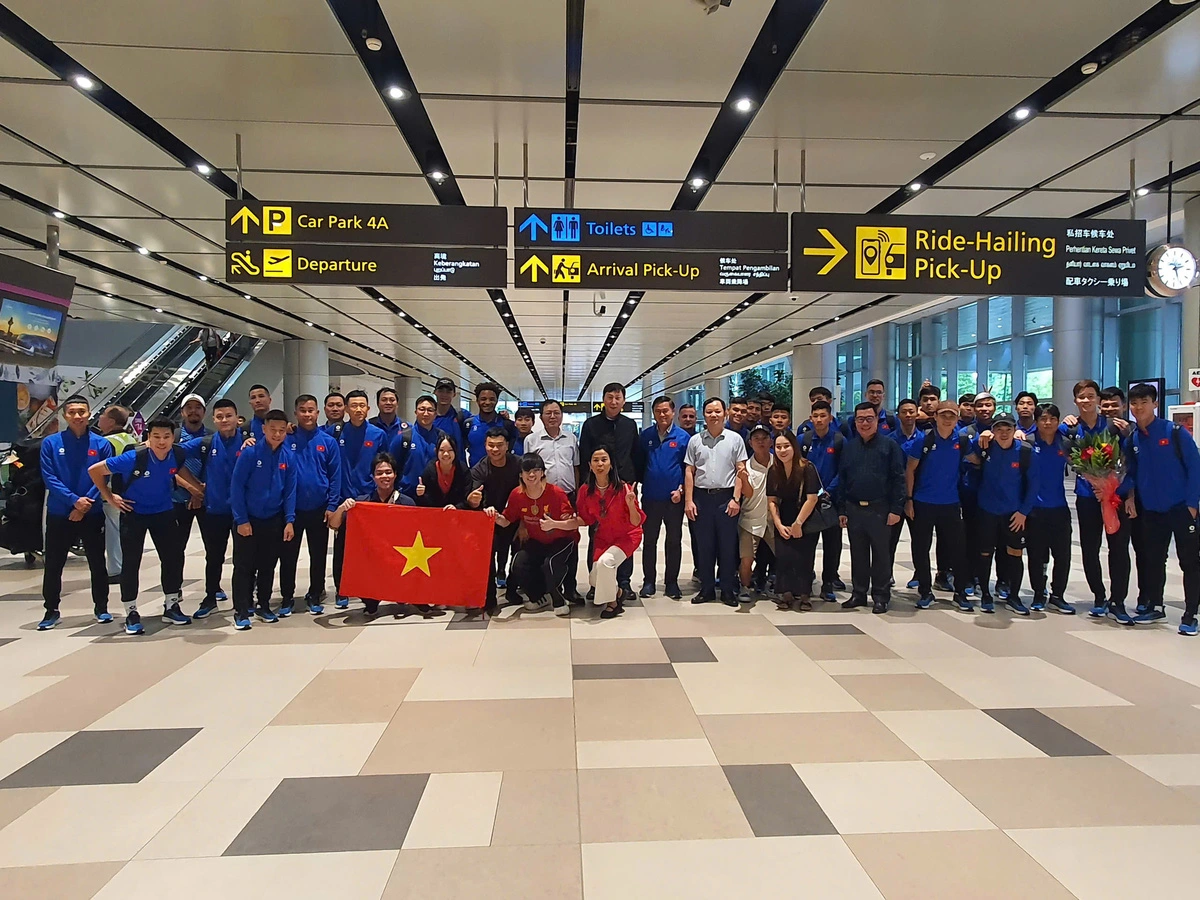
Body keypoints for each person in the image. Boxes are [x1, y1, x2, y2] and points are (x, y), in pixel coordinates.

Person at [89, 417, 204, 634]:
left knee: (173, 557)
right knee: (131, 562)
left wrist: (195, 488)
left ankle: (172, 605)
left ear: (173, 438)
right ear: (148, 438)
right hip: (134, 513)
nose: (162, 442)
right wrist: (110, 496)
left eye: (167, 437)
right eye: (156, 437)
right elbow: (95, 470)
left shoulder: (177, 454)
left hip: (163, 512)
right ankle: (131, 611)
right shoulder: (133, 457)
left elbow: (203, 443)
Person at [1121, 382, 1200, 633]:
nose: (1139, 407)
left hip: (1180, 508)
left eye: (1144, 402)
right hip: (1152, 511)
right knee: (1154, 560)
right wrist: (1129, 495)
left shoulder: (1175, 432)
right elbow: (1131, 473)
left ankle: (1190, 614)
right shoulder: (1133, 439)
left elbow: (1195, 468)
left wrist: (1191, 504)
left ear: (1155, 403)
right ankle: (1156, 605)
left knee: (1189, 561)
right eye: (1134, 403)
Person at [37, 395, 112, 630]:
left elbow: (105, 476)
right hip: (61, 512)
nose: (78, 416)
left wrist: (85, 503)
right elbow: (49, 478)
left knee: (97, 561)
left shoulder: (102, 444)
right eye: (72, 412)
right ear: (65, 415)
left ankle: (101, 607)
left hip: (92, 512)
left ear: (89, 413)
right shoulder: (50, 443)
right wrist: (73, 502)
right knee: (54, 563)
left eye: (82, 411)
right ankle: (51, 610)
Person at [1060, 379, 1131, 619]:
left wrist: (1113, 487)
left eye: (1091, 396)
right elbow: (1072, 459)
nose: (1086, 401)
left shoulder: (1114, 427)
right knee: (1090, 549)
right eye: (1082, 397)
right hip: (1087, 497)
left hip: (1114, 498)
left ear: (1098, 400)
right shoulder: (1069, 429)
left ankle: (1118, 600)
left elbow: (1128, 461)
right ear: (1075, 401)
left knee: (1118, 548)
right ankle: (1099, 596)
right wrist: (1095, 483)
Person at [965, 413, 1038, 615]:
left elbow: (1034, 485)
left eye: (1008, 429)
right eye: (999, 429)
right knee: (985, 553)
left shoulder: (1025, 451)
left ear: (1015, 431)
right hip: (987, 510)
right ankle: (986, 596)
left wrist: (1023, 512)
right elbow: (965, 451)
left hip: (1013, 514)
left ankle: (1013, 595)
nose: (1003, 433)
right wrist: (983, 435)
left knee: (1015, 553)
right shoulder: (985, 447)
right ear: (993, 431)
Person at [229, 409, 296, 629]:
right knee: (244, 565)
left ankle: (263, 605)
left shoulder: (288, 455)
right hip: (248, 518)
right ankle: (241, 609)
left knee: (268, 565)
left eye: (281, 430)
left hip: (274, 519)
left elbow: (290, 490)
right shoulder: (250, 453)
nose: (277, 434)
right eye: (272, 430)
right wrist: (241, 520)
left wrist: (289, 520)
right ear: (264, 429)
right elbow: (237, 487)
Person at [837, 402, 905, 613]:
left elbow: (899, 479)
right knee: (858, 554)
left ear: (877, 420)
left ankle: (880, 596)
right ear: (854, 421)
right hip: (854, 508)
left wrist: (896, 509)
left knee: (881, 555)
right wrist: (841, 510)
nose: (864, 423)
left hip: (880, 509)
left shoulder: (889, 446)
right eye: (860, 419)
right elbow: (843, 479)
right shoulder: (849, 447)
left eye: (869, 419)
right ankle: (858, 593)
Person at [904, 401, 972, 612]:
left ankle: (960, 592)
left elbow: (976, 459)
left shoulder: (962, 441)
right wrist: (908, 499)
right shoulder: (923, 440)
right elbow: (910, 470)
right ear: (936, 417)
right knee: (920, 548)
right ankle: (925, 590)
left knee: (958, 549)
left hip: (950, 503)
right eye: (944, 415)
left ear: (957, 418)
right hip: (924, 502)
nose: (947, 419)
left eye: (952, 415)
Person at [278, 394, 341, 617]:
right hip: (290, 511)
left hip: (319, 508)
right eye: (302, 410)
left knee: (318, 554)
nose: (307, 414)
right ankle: (287, 597)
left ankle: (315, 594)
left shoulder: (328, 442)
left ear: (318, 413)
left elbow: (335, 477)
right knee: (288, 555)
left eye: (311, 410)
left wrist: (332, 505)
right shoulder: (285, 439)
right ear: (295, 413)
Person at [330, 453, 415, 617]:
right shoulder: (362, 504)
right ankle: (369, 598)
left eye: (388, 472)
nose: (384, 476)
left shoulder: (406, 503)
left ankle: (402, 593)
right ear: (373, 477)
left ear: (395, 474)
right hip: (373, 563)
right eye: (379, 473)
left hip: (398, 560)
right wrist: (342, 508)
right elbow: (334, 524)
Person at [493, 453, 579, 615]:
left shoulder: (557, 493)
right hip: (537, 541)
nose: (531, 475)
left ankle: (557, 598)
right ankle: (539, 596)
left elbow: (574, 523)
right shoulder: (517, 495)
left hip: (562, 540)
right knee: (518, 564)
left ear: (542, 473)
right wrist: (494, 517)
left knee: (550, 565)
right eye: (527, 471)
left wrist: (553, 524)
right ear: (521, 474)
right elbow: (506, 520)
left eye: (536, 470)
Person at [579, 382, 642, 598]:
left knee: (625, 534)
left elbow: (636, 453)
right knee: (597, 534)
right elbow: (584, 455)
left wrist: (635, 482)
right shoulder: (590, 425)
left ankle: (624, 583)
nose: (614, 402)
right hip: (598, 488)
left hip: (624, 489)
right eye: (609, 397)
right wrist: (587, 486)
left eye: (618, 398)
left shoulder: (629, 425)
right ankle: (596, 584)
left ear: (623, 401)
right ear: (603, 400)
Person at [685, 398, 748, 606]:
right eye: (709, 411)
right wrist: (689, 501)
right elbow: (689, 471)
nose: (714, 415)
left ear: (725, 413)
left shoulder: (735, 439)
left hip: (726, 499)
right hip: (702, 498)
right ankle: (707, 589)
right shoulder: (695, 440)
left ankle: (728, 590)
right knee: (704, 546)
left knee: (728, 546)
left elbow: (741, 470)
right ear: (704, 414)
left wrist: (736, 499)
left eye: (717, 411)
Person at [569, 445, 644, 619]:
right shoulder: (585, 491)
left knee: (606, 563)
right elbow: (585, 520)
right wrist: (557, 523)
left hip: (627, 535)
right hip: (604, 537)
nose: (600, 464)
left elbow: (636, 521)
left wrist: (631, 505)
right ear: (590, 465)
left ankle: (613, 604)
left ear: (611, 464)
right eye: (596, 460)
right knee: (594, 579)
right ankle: (618, 592)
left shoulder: (623, 488)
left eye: (604, 460)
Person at [331, 389, 388, 609]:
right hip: (345, 499)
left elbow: (384, 466)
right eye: (353, 405)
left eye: (362, 405)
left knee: (371, 548)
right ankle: (341, 590)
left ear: (368, 408)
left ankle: (371, 589)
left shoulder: (377, 434)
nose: (358, 410)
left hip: (370, 501)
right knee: (342, 548)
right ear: (346, 409)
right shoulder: (336, 433)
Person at [191, 399, 244, 619]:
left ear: (237, 418)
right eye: (220, 417)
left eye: (228, 416)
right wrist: (195, 487)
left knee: (243, 559)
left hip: (242, 512)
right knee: (214, 557)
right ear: (213, 419)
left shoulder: (248, 441)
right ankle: (210, 596)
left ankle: (243, 601)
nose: (224, 420)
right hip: (214, 510)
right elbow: (175, 456)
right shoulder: (206, 442)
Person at [531, 399, 583, 602]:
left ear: (561, 416)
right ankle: (548, 587)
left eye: (556, 413)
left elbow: (576, 467)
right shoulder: (532, 441)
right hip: (542, 499)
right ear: (541, 416)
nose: (552, 416)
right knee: (545, 542)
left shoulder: (571, 439)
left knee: (571, 542)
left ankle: (571, 587)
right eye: (548, 413)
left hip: (568, 497)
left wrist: (577, 495)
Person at [1026, 403, 1075, 615]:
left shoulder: (1064, 443)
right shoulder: (1027, 443)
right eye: (1043, 419)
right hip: (1034, 509)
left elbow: (1081, 465)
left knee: (1063, 555)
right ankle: (1038, 593)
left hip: (1059, 508)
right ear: (1036, 421)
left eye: (1052, 419)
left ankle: (1058, 595)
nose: (1048, 423)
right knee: (1037, 555)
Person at [466, 427, 522, 612]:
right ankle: (489, 597)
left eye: (499, 445)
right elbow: (474, 498)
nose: (495, 450)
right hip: (489, 520)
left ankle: (512, 590)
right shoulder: (479, 469)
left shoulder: (518, 465)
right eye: (491, 445)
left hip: (515, 518)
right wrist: (474, 501)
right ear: (485, 446)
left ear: (507, 446)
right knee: (487, 558)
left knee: (519, 554)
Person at [639, 396, 689, 600]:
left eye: (665, 411)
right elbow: (639, 463)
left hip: (673, 500)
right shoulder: (646, 436)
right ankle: (648, 581)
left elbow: (688, 469)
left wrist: (681, 490)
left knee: (673, 541)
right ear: (653, 413)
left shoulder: (683, 437)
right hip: (650, 497)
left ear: (673, 412)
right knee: (649, 541)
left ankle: (671, 583)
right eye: (658, 411)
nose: (662, 415)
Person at [768, 430, 820, 612]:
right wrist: (778, 524)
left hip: (805, 518)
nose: (782, 450)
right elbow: (772, 501)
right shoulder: (774, 470)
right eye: (778, 447)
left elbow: (812, 498)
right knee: (784, 558)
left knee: (804, 558)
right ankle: (786, 594)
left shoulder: (807, 467)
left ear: (794, 447)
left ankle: (805, 595)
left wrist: (798, 524)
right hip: (783, 517)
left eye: (786, 446)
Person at [799, 401, 845, 599]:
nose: (819, 419)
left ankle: (828, 584)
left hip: (831, 500)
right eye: (815, 416)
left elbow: (843, 471)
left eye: (823, 415)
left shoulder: (839, 440)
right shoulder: (803, 440)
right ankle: (805, 584)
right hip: (807, 501)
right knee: (807, 545)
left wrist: (828, 492)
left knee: (832, 545)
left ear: (830, 418)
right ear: (811, 418)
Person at [97, 404, 136, 583]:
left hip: (112, 493)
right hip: (131, 490)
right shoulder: (131, 438)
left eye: (103, 415)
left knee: (112, 530)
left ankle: (116, 569)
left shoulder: (106, 442)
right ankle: (124, 566)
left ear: (111, 421)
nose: (99, 418)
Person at [737, 426, 772, 602]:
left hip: (774, 520)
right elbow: (748, 494)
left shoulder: (778, 463)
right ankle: (745, 587)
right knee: (746, 558)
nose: (760, 441)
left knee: (784, 555)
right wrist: (743, 478)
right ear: (750, 443)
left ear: (770, 441)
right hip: (750, 520)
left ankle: (783, 587)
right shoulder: (746, 467)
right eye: (756, 438)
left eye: (764, 438)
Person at [173, 393, 210, 555]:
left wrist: (199, 493)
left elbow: (215, 468)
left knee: (213, 550)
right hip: (178, 500)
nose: (193, 411)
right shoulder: (173, 436)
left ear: (204, 411)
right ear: (182, 412)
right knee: (174, 551)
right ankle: (174, 581)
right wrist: (192, 489)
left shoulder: (212, 436)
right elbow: (168, 468)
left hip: (206, 501)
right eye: (189, 407)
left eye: (198, 407)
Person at [890, 399, 921, 582]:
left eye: (911, 411)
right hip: (894, 496)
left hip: (918, 495)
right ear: (898, 415)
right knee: (890, 539)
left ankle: (919, 574)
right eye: (904, 412)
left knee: (919, 538)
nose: (908, 415)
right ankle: (887, 574)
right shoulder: (890, 440)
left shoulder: (925, 438)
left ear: (917, 413)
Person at [464, 382, 516, 466]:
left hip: (501, 473)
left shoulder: (507, 425)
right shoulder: (468, 424)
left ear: (496, 401)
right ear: (477, 400)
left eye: (492, 399)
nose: (487, 402)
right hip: (475, 474)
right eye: (483, 399)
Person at [396, 396, 436, 499]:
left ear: (435, 414)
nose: (426, 413)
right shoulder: (404, 436)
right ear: (415, 412)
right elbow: (392, 465)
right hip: (407, 497)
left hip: (434, 498)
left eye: (430, 410)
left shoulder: (441, 438)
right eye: (422, 409)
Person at [417, 434, 470, 509]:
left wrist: (457, 507)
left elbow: (467, 498)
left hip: (457, 516)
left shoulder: (463, 469)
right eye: (441, 450)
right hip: (435, 516)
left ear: (455, 451)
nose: (446, 454)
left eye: (450, 450)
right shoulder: (429, 470)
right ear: (436, 451)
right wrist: (420, 495)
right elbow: (424, 503)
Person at [432, 377, 467, 448]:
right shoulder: (428, 417)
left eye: (448, 392)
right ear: (435, 392)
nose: (444, 394)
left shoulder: (461, 415)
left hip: (458, 459)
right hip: (434, 459)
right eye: (441, 391)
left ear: (454, 394)